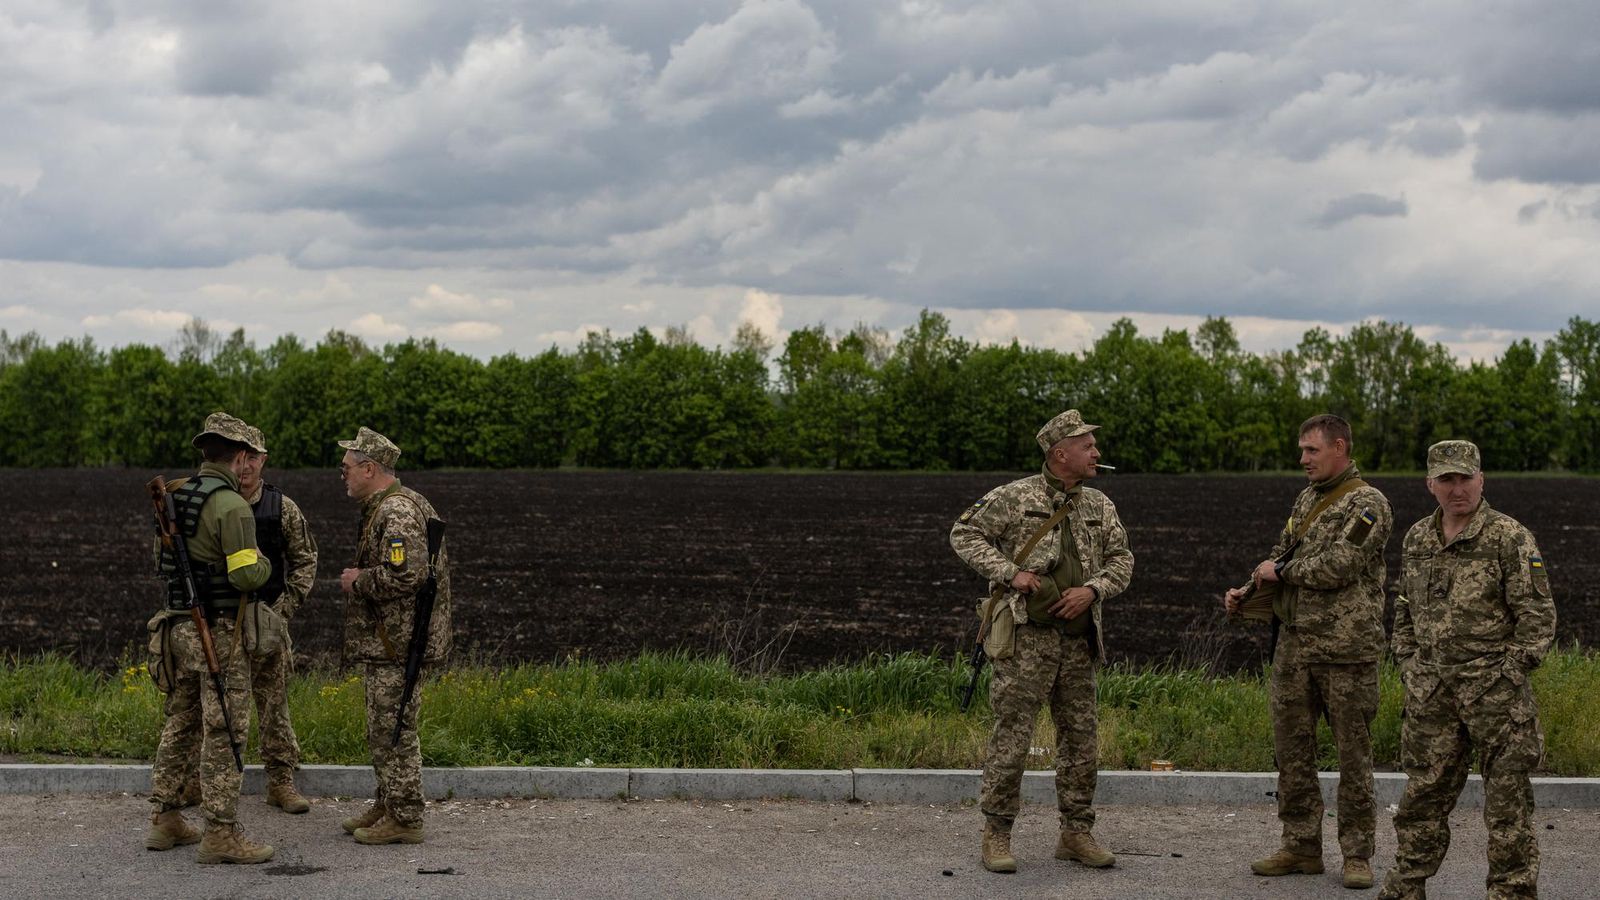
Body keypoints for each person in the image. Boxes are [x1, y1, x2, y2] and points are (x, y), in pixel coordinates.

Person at [950, 409, 1134, 875]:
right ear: (1060, 452)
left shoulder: (1099, 505)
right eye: (1087, 445)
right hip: (1026, 641)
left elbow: (1122, 559)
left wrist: (1092, 590)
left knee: (1081, 740)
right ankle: (996, 834)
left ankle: (1076, 832)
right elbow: (964, 532)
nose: (1096, 452)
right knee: (1012, 737)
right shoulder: (1014, 497)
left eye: (1093, 445)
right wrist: (1011, 573)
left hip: (1078, 642)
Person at [1378, 440, 1555, 900]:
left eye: (1466, 478)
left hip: (1496, 698)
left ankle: (1511, 893)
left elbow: (1538, 619)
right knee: (1421, 800)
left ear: (1482, 480)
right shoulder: (1418, 538)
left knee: (1507, 808)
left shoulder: (1508, 537)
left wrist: (1506, 675)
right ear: (1430, 484)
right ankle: (1405, 887)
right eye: (1447, 479)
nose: (1457, 488)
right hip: (1432, 696)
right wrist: (1411, 666)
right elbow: (1404, 610)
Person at [1223, 413, 1392, 889]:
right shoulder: (1306, 499)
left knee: (1353, 757)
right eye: (1302, 451)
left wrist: (1282, 574)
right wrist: (1245, 589)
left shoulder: (1369, 504)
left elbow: (1342, 564)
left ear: (1339, 447)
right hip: (1294, 646)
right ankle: (1300, 847)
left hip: (1346, 652)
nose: (1303, 460)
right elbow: (1281, 555)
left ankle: (1357, 855)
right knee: (1291, 753)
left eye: (1311, 451)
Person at [145, 412, 275, 864]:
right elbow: (244, 575)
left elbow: (162, 564)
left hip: (177, 627)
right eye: (248, 457)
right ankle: (220, 832)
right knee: (225, 727)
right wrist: (265, 564)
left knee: (180, 720)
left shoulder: (175, 497)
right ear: (240, 457)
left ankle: (165, 817)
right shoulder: (232, 506)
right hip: (218, 631)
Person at [180, 423, 319, 814]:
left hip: (266, 624)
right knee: (209, 707)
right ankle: (194, 782)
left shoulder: (282, 507)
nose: (248, 467)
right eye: (244, 458)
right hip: (218, 625)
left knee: (274, 706)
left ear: (262, 460)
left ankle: (281, 780)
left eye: (255, 458)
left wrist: (283, 610)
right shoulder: (208, 502)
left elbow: (306, 560)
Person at [336, 426, 451, 845]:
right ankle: (388, 802)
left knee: (395, 730)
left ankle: (405, 817)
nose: (343, 474)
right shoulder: (391, 505)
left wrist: (359, 580)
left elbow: (407, 575)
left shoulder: (396, 512)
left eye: (347, 467)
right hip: (390, 642)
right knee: (383, 727)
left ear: (369, 468)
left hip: (397, 644)